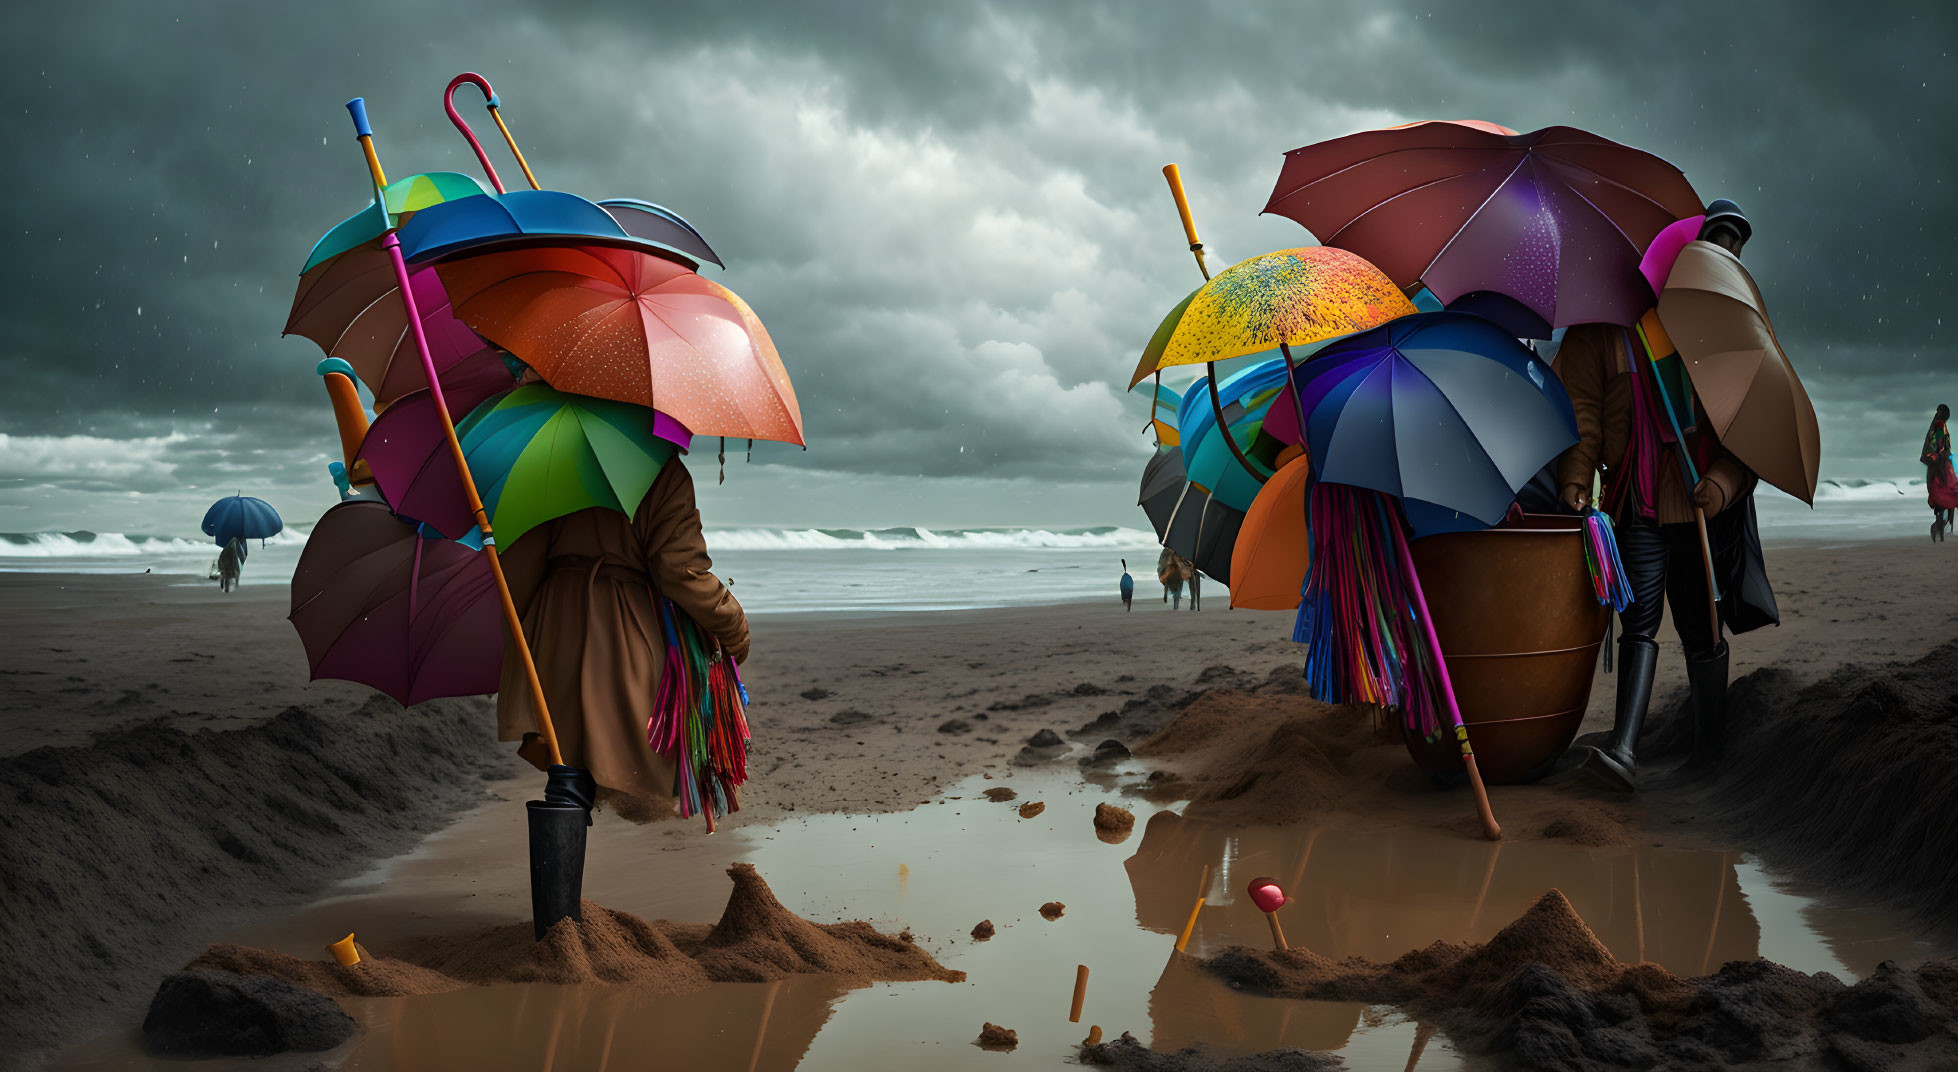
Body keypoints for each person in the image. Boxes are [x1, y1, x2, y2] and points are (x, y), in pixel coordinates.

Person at [1556, 199, 1779, 790]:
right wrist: (1578, 479)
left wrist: (1723, 486)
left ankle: (1710, 751)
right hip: (1638, 505)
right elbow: (1582, 416)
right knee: (1640, 622)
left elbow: (1748, 433)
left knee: (1703, 627)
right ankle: (1626, 748)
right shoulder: (1608, 330)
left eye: (1731, 249)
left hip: (1697, 504)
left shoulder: (1720, 339)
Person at [494, 458, 749, 817]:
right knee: (623, 759)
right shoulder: (659, 469)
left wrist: (527, 639)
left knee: (566, 770)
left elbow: (517, 563)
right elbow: (680, 572)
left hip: (552, 623)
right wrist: (734, 625)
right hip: (622, 628)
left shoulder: (549, 462)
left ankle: (555, 869)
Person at [1923, 404, 1957, 541]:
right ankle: (1940, 528)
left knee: (1943, 499)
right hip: (1941, 468)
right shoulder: (1939, 426)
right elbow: (1940, 448)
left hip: (1940, 468)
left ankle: (1940, 528)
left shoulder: (1938, 426)